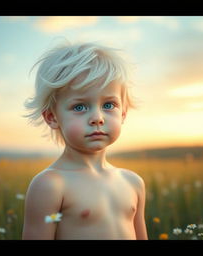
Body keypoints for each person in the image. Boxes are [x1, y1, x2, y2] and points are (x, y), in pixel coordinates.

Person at [22, 39, 148, 240]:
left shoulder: (133, 182)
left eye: (108, 105)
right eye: (79, 107)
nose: (97, 118)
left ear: (123, 113)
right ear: (52, 117)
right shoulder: (51, 185)